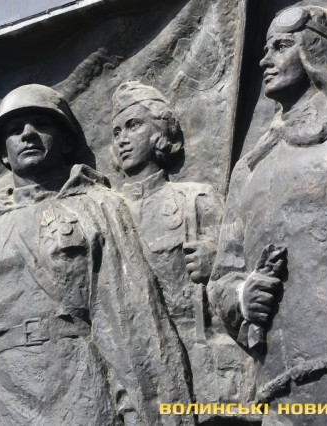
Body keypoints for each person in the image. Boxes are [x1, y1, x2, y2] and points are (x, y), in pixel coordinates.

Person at [0, 84, 193, 425]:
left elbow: (133, 317)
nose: (27, 134)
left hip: (79, 384)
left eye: (41, 124)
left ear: (66, 141)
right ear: (4, 154)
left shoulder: (99, 207)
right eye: (14, 130)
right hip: (2, 396)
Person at [208, 6, 327, 424]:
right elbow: (224, 274)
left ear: (315, 51)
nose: (265, 61)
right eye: (266, 49)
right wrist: (244, 296)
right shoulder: (249, 168)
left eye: (281, 46)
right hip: (275, 383)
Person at [112, 82, 253, 418]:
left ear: (161, 133)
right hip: (138, 374)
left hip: (204, 372)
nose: (122, 139)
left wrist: (216, 260)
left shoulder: (196, 199)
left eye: (134, 125)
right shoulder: (106, 213)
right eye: (116, 132)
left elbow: (243, 268)